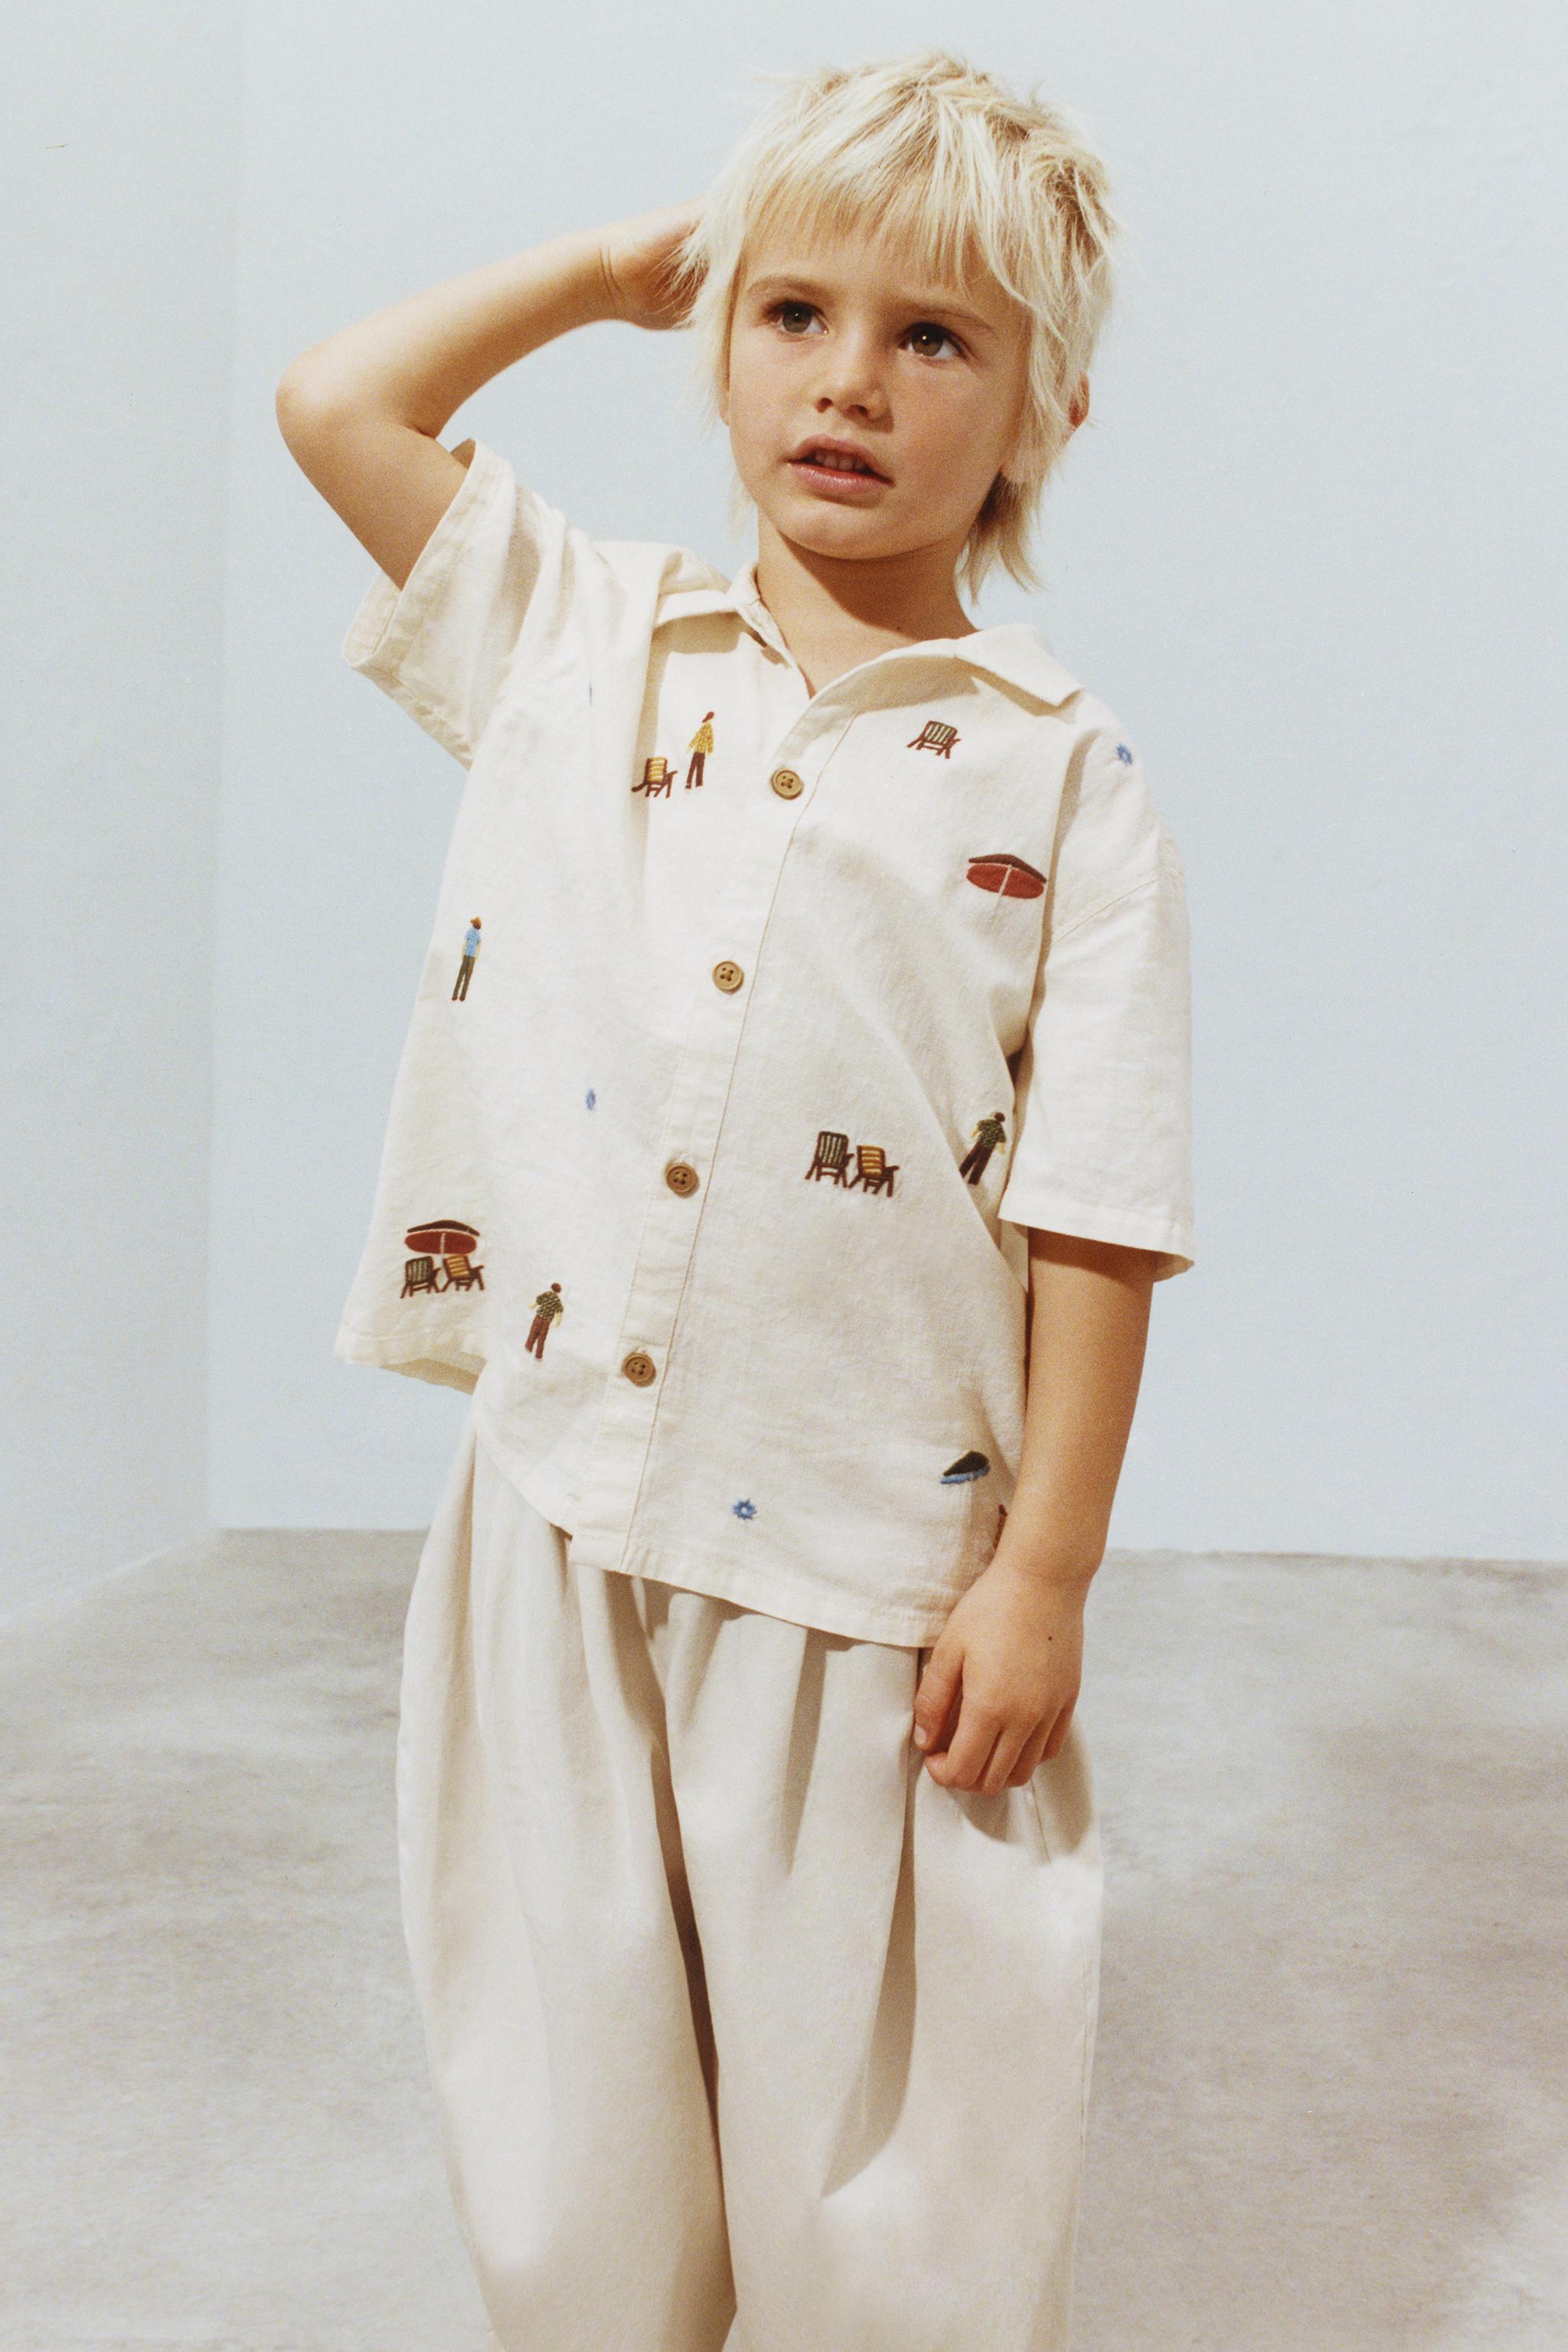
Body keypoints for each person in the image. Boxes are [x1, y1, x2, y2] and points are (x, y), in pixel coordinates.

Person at [276, 46, 1194, 2352]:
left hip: (867, 1572)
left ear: (1046, 415)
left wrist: (1047, 1575)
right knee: (572, 2147)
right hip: (561, 1510)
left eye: (933, 335)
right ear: (718, 340)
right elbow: (337, 403)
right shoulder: (578, 638)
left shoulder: (1065, 783)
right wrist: (615, 269)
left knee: (885, 2195)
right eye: (794, 314)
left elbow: (1099, 1207)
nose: (849, 381)